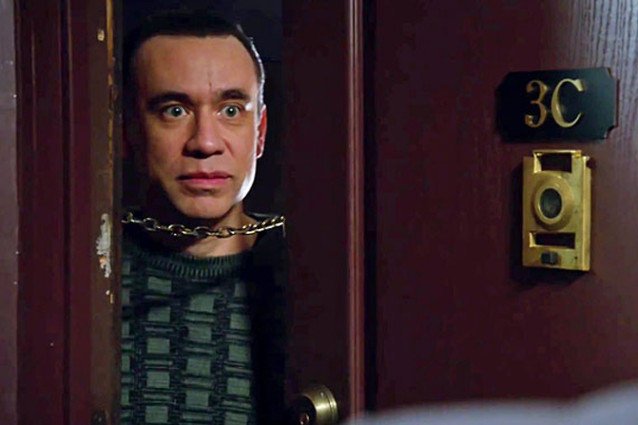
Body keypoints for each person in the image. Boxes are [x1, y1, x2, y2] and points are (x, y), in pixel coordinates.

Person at [120, 10, 287, 425]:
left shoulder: (311, 275)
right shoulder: (84, 278)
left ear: (260, 132)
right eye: (174, 111)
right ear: (128, 131)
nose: (205, 143)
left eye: (231, 111)